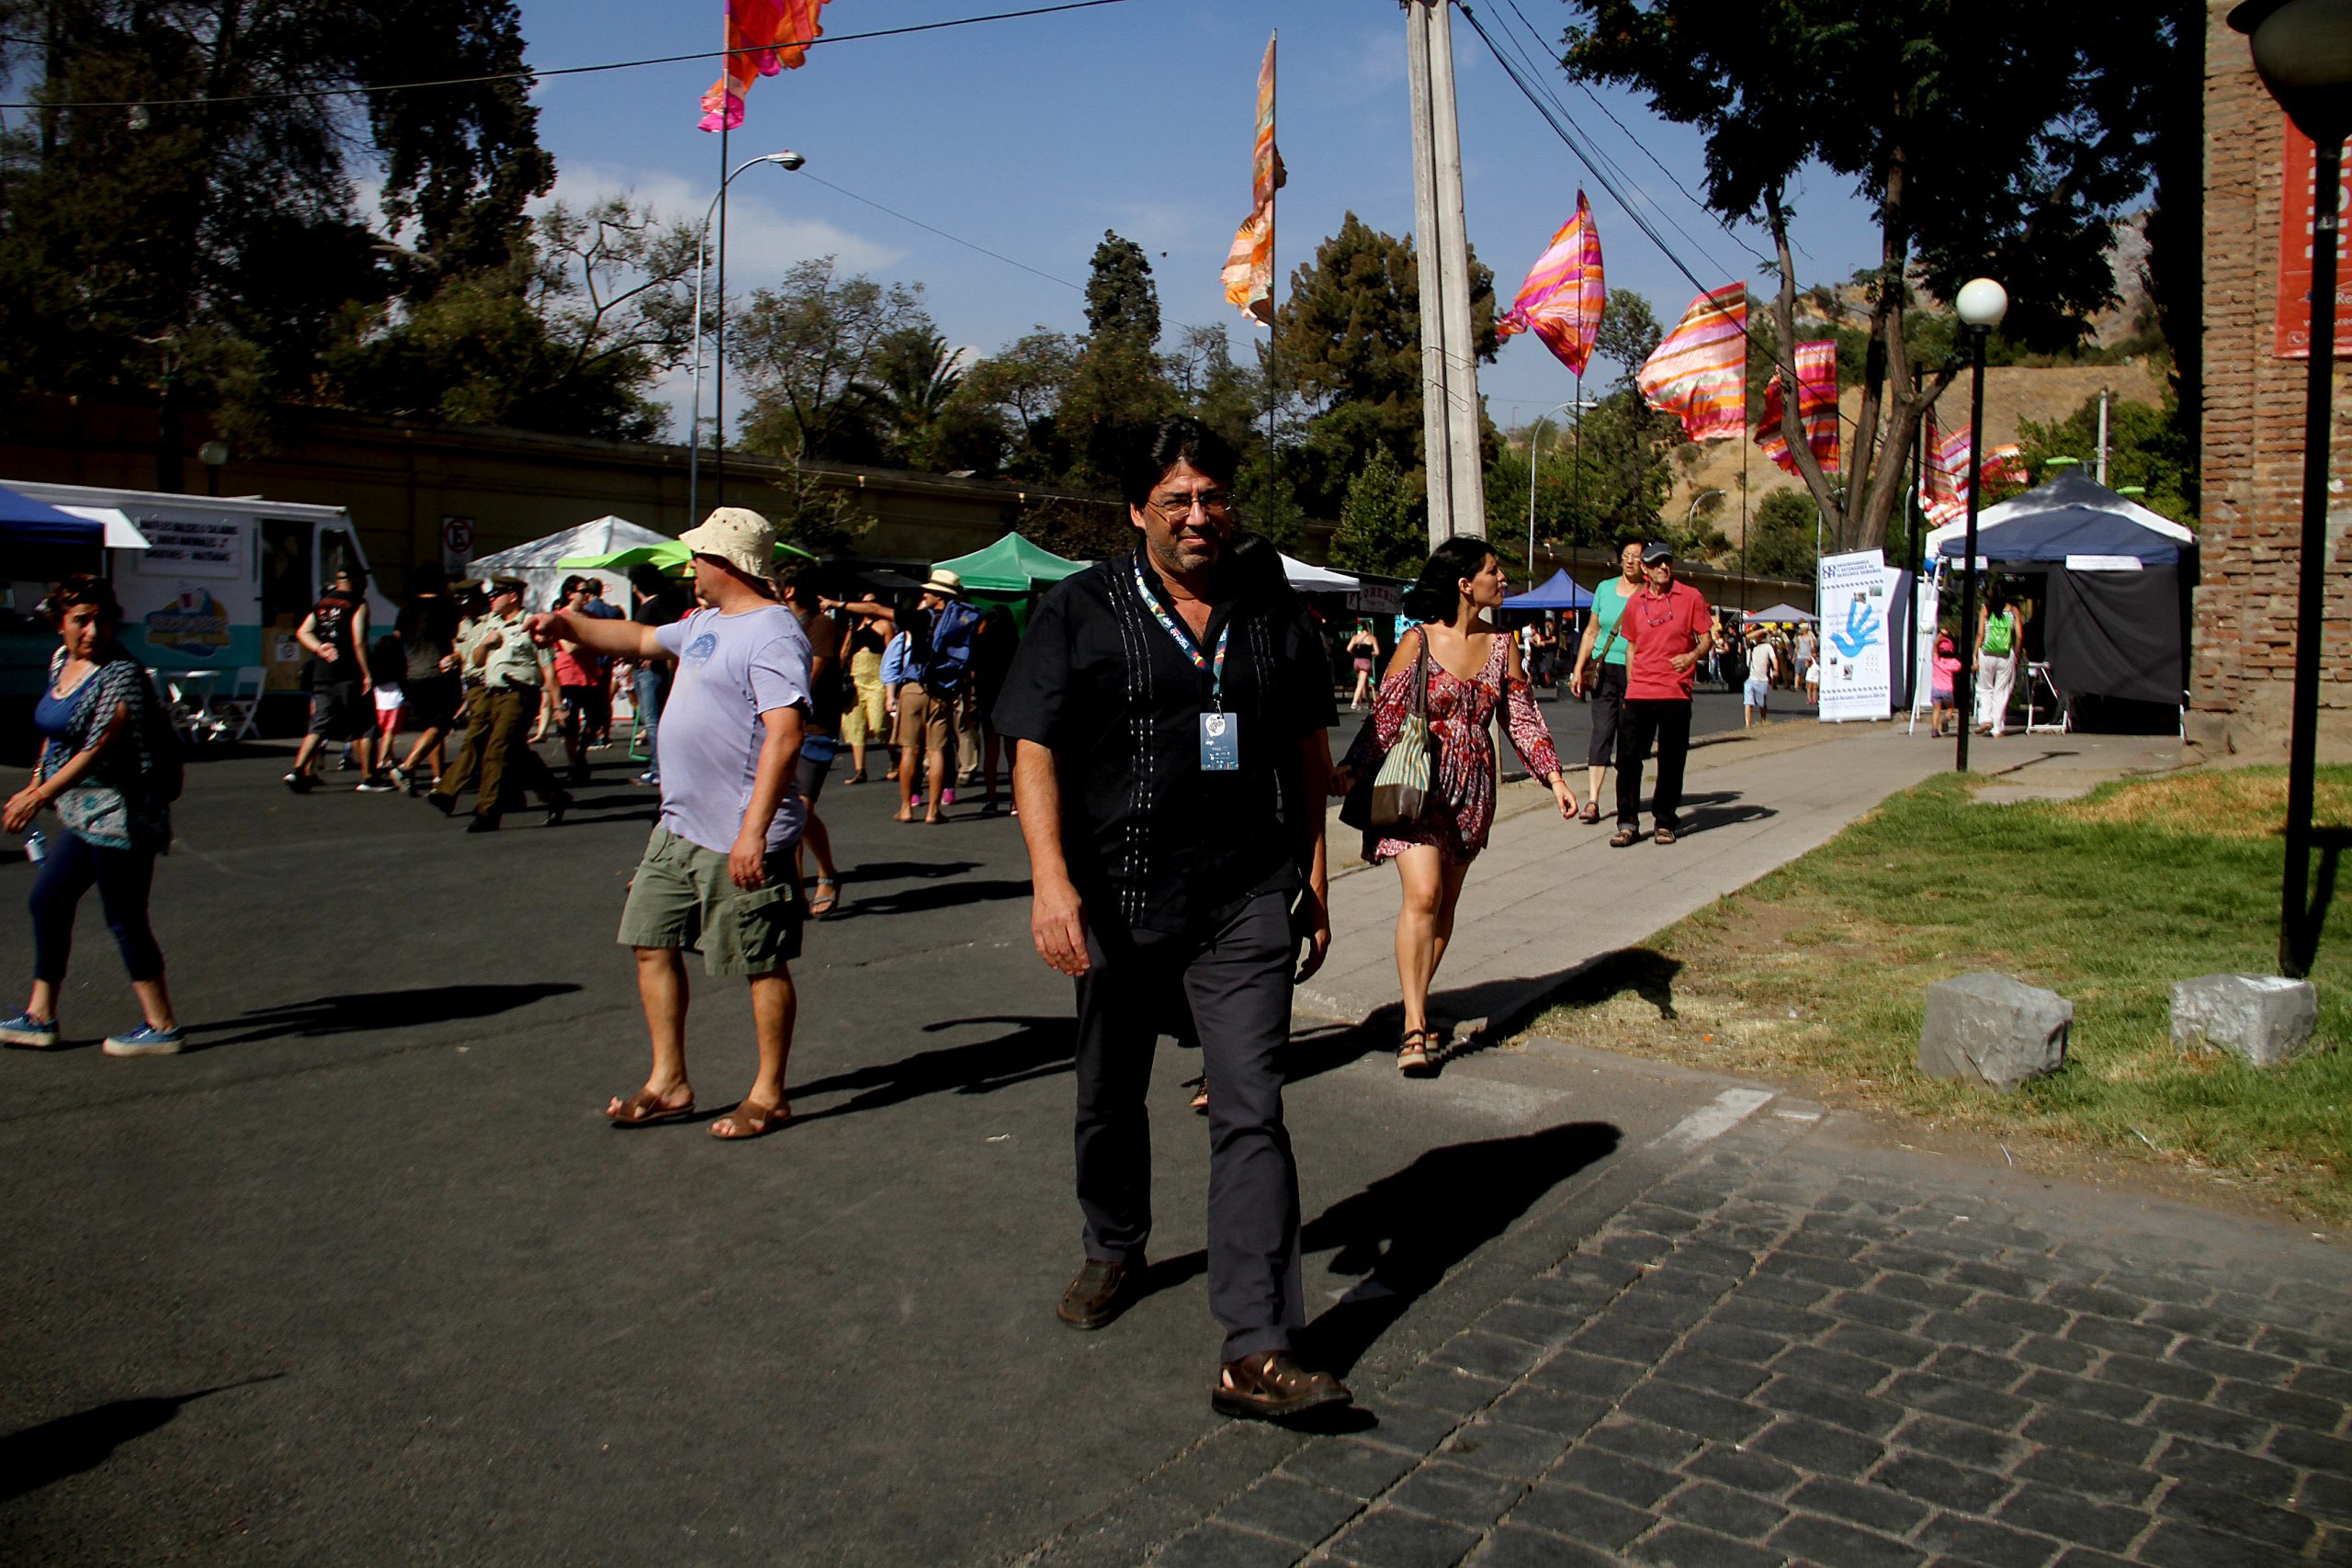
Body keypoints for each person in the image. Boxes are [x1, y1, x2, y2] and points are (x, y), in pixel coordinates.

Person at [994, 416, 1350, 1423]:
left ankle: (1257, 1346)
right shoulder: (1081, 607)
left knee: (1251, 1111)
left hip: (1242, 895)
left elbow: (1303, 751)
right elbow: (1034, 747)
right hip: (1117, 894)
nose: (1199, 517)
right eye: (1176, 502)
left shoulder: (1268, 606)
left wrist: (1314, 875)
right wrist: (1049, 881)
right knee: (1109, 1095)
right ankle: (1113, 1246)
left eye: (1212, 498)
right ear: (1138, 512)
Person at [531, 508, 814, 1142]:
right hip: (677, 826)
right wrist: (566, 623)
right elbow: (634, 640)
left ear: (728, 563)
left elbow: (785, 735)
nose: (689, 567)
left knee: (760, 961)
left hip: (739, 835)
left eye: (698, 556)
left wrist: (752, 831)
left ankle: (769, 1094)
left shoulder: (772, 634)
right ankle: (669, 1081)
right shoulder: (703, 623)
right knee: (650, 941)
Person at [1339, 538, 1574, 1074]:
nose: (1503, 579)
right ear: (1466, 583)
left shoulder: (1502, 646)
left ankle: (1413, 1002)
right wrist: (1353, 767)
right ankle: (1415, 1027)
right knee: (1423, 894)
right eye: (1495, 571)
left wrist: (1553, 777)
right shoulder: (1417, 641)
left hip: (1473, 788)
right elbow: (1387, 715)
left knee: (1444, 906)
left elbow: (1521, 718)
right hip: (1419, 785)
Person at [2, 576, 184, 1056]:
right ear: (60, 624)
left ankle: (162, 1026)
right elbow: (56, 736)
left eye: (102, 619)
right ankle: (41, 1016)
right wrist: (36, 778)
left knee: (124, 916)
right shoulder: (64, 662)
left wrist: (36, 797)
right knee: (48, 901)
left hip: (124, 814)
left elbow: (96, 746)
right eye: (81, 620)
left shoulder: (121, 674)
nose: (93, 630)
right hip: (87, 815)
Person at [427, 576, 569, 832]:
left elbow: (549, 671)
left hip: (519, 694)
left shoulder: (531, 624)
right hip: (493, 694)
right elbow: (478, 660)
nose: (492, 599)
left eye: (497, 595)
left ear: (513, 596)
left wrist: (558, 707)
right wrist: (485, 643)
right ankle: (555, 795)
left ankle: (487, 813)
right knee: (515, 752)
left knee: (496, 750)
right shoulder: (491, 624)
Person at [1611, 544, 1712, 848]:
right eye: (1656, 564)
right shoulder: (1634, 603)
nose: (1663, 568)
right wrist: (1630, 686)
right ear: (1645, 569)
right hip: (1640, 691)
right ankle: (1627, 822)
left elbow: (1706, 639)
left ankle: (1664, 821)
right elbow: (1631, 646)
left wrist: (1690, 657)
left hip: (1675, 692)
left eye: (1667, 562)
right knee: (1628, 759)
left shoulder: (1690, 597)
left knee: (1671, 760)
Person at [779, 573, 843, 919]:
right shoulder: (779, 624)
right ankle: (794, 892)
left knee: (799, 810)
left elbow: (807, 679)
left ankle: (827, 874)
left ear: (789, 589)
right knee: (789, 810)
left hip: (815, 728)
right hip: (779, 728)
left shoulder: (820, 626)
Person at [1569, 537, 1645, 826]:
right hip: (1602, 668)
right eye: (1626, 555)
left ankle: (1626, 798)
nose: (1629, 560)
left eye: (1636, 556)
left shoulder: (1647, 592)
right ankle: (1593, 800)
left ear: (1644, 562)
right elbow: (1590, 631)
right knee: (1601, 732)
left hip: (1633, 670)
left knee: (1630, 737)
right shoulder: (1604, 588)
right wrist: (1578, 669)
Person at [282, 564, 376, 792]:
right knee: (365, 725)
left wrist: (319, 648)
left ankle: (298, 771)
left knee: (319, 725)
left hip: (322, 673)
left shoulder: (322, 604)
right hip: (348, 672)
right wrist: (367, 673)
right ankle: (369, 777)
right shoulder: (357, 604)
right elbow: (358, 641)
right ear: (355, 581)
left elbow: (303, 631)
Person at [390, 566, 463, 795]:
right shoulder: (447, 607)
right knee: (440, 725)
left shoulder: (406, 609)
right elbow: (457, 637)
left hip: (412, 674)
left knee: (431, 726)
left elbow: (397, 639)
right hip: (439, 672)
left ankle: (437, 775)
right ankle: (407, 767)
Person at [626, 563, 686, 786]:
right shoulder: (649, 605)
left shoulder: (656, 605)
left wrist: (655, 655)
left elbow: (672, 631)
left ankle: (658, 768)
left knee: (653, 721)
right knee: (651, 720)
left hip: (652, 672)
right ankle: (657, 766)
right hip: (642, 670)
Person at [836, 592, 893, 783]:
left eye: (872, 602)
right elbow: (843, 656)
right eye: (865, 602)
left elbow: (891, 653)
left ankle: (895, 756)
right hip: (856, 680)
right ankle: (860, 769)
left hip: (876, 680)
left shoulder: (885, 625)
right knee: (855, 726)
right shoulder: (855, 627)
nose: (868, 606)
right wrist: (849, 637)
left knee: (879, 725)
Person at [552, 579, 605, 784]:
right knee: (570, 723)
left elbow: (601, 642)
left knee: (595, 719)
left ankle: (581, 754)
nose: (587, 595)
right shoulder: (560, 617)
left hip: (591, 675)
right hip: (569, 676)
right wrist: (590, 641)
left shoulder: (591, 617)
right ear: (570, 594)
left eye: (589, 592)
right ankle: (573, 762)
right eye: (583, 591)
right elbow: (569, 648)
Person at [1977, 587, 2024, 738]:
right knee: (2001, 690)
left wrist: (1974, 654)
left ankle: (1985, 718)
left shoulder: (1986, 609)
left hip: (1986, 653)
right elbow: (2020, 635)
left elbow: (1980, 634)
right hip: (2005, 654)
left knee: (1985, 687)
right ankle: (1997, 727)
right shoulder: (2013, 610)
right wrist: (2016, 652)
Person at [364, 632, 406, 790]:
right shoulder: (398, 662)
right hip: (395, 697)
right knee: (390, 731)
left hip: (378, 698)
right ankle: (383, 760)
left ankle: (389, 757)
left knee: (381, 732)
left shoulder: (374, 662)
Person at [1930, 625, 1962, 738]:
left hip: (1936, 689)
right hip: (1947, 689)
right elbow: (1960, 668)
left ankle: (1934, 730)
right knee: (1950, 708)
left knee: (1936, 710)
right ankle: (1946, 718)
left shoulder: (1936, 660)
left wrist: (1941, 635)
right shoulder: (1954, 662)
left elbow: (1934, 645)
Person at [1744, 626, 1777, 728]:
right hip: (1751, 678)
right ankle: (1748, 725)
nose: (1756, 636)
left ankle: (1763, 720)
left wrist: (1776, 669)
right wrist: (1761, 630)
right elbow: (1746, 637)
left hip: (1762, 679)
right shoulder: (1751, 646)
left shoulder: (1768, 646)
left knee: (1762, 703)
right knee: (1748, 703)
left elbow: (1774, 659)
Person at [1346, 623, 1379, 710]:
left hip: (1356, 661)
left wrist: (1354, 653)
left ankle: (1369, 701)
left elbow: (1348, 649)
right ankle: (1354, 702)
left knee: (1364, 683)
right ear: (1369, 628)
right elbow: (1377, 652)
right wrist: (1370, 653)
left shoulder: (1355, 637)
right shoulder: (1372, 638)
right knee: (1361, 683)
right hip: (1365, 662)